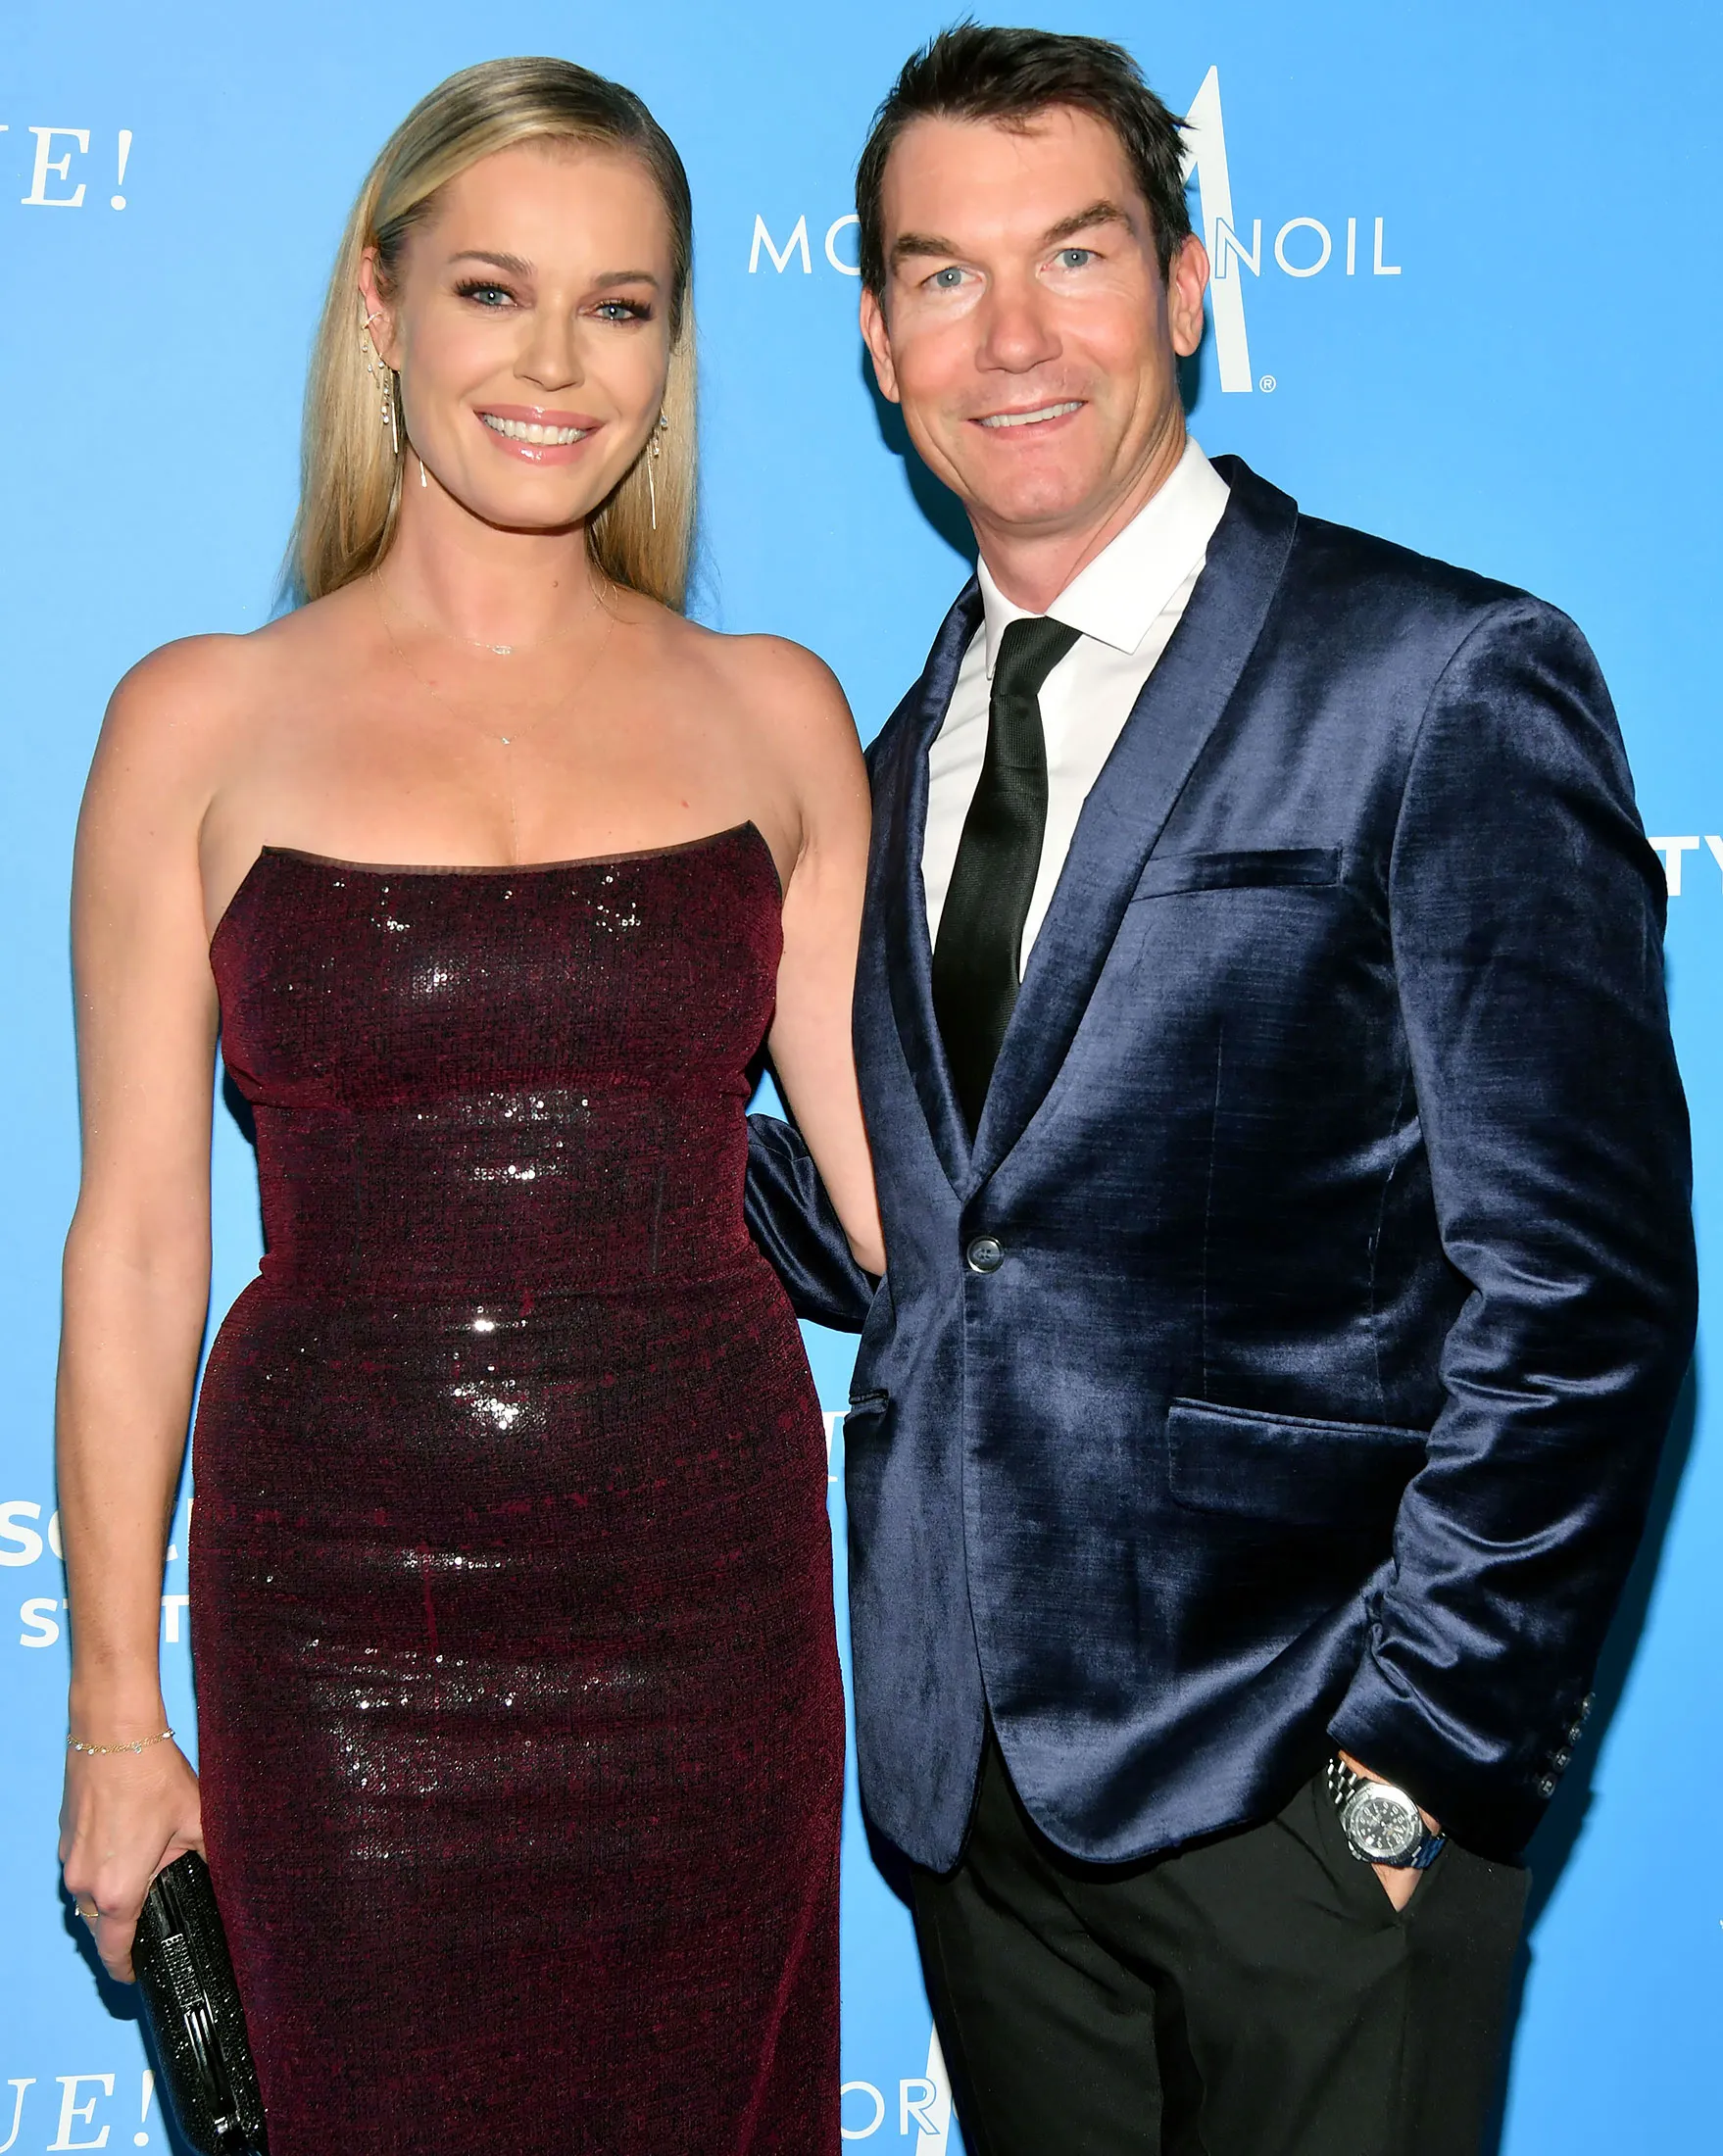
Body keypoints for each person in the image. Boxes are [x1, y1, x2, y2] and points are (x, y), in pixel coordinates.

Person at [745, 24, 1697, 2156]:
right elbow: (913, 1215)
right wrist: (539, 1087)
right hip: (978, 1818)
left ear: (1186, 285)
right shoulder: (880, 763)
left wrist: (1413, 1775)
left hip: (1317, 1799)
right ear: (879, 338)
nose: (1012, 336)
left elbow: (1588, 1292)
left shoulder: (1439, 677)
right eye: (944, 274)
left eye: (1075, 254)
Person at [55, 56, 877, 2155]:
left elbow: (905, 1210)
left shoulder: (776, 713)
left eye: (620, 306)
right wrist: (115, 1717)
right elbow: (138, 1242)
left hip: (712, 1606)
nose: (555, 364)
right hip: (337, 1618)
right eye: (494, 291)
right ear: (379, 305)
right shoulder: (196, 722)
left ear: (674, 349)